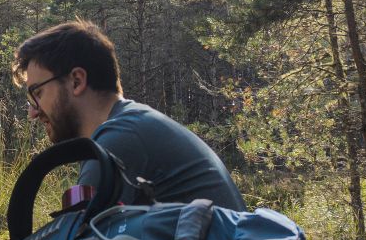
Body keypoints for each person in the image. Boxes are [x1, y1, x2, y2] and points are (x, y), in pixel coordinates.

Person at [13, 19, 246, 210]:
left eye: (38, 93)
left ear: (76, 81)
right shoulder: (132, 124)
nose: (33, 112)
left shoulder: (119, 139)